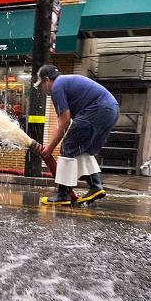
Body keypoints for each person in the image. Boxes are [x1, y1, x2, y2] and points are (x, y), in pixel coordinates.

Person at [35, 65, 119, 205]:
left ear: (47, 80)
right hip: (111, 110)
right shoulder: (66, 82)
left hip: (97, 109)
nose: (43, 90)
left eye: (42, 85)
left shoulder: (57, 87)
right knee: (81, 149)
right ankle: (96, 187)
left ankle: (63, 194)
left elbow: (65, 121)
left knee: (68, 147)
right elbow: (65, 121)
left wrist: (49, 148)